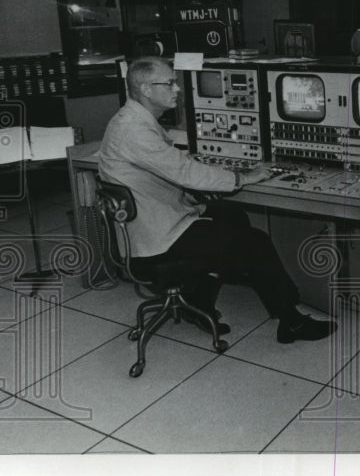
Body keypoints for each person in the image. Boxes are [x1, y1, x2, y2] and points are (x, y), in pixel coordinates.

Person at [98, 56, 336, 344]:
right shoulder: (134, 130)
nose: (178, 89)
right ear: (146, 89)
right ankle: (291, 322)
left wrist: (212, 183)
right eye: (170, 83)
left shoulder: (131, 120)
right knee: (255, 242)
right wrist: (242, 178)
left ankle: (198, 304)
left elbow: (172, 167)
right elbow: (184, 171)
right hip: (156, 239)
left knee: (231, 215)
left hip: (154, 222)